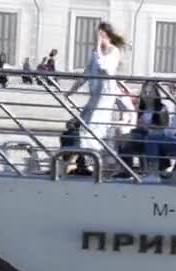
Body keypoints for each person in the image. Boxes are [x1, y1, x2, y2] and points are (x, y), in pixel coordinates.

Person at [65, 22, 126, 174]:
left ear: (108, 36)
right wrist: (73, 89)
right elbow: (87, 72)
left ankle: (97, 162)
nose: (99, 40)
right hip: (95, 96)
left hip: (105, 96)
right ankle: (83, 162)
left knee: (93, 128)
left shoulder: (114, 51)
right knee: (82, 125)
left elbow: (105, 67)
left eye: (102, 37)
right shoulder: (96, 53)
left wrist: (98, 49)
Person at [114, 82, 169, 178]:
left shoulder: (161, 108)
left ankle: (154, 169)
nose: (147, 95)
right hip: (142, 134)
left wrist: (148, 127)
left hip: (155, 135)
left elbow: (164, 126)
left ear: (156, 94)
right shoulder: (142, 108)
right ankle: (126, 169)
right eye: (144, 92)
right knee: (123, 138)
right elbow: (138, 125)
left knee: (136, 138)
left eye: (150, 92)